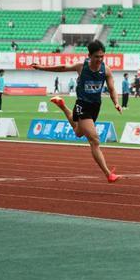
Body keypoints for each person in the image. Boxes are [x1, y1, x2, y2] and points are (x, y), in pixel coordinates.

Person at [31, 41, 122, 183]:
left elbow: (111, 89)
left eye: (102, 57)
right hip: (82, 105)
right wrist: (41, 67)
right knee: (94, 140)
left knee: (78, 133)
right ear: (89, 56)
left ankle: (62, 106)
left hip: (95, 106)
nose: (99, 60)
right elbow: (62, 67)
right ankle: (108, 174)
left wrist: (116, 102)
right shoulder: (81, 67)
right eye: (97, 56)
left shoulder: (106, 70)